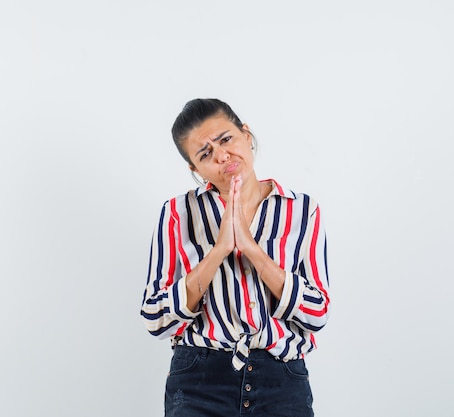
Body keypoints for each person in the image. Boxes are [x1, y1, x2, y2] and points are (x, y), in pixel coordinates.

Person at [140, 98, 330, 417]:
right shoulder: (177, 213)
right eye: (205, 153)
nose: (222, 155)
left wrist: (252, 250)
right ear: (195, 169)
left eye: (226, 139)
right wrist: (218, 252)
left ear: (246, 134)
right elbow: (155, 317)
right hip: (199, 380)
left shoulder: (301, 210)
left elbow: (317, 314)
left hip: (282, 381)